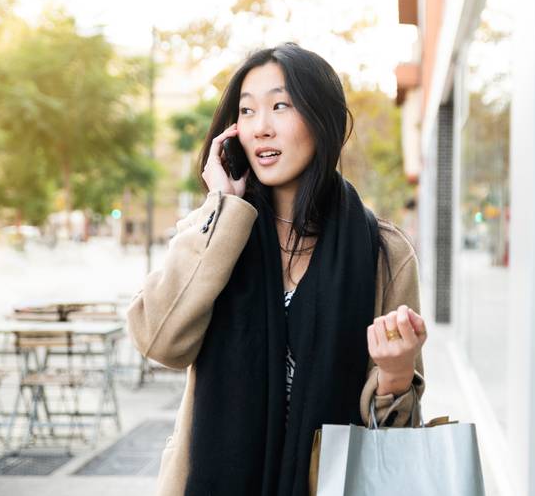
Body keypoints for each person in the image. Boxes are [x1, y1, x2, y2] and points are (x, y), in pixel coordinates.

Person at [127, 42, 427, 496]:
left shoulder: (383, 253)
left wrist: (398, 372)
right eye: (247, 112)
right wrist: (223, 207)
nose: (261, 127)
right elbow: (159, 340)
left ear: (322, 119)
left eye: (280, 106)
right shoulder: (217, 229)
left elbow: (395, 434)